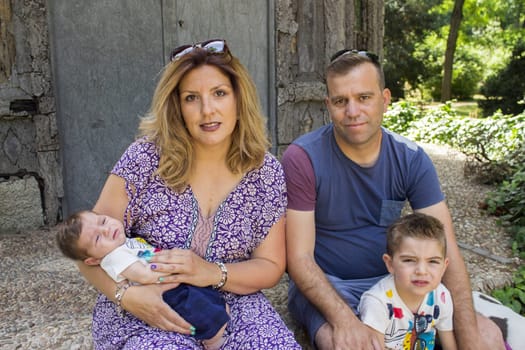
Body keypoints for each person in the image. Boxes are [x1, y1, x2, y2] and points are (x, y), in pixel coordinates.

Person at [75, 38, 301, 349]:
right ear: (177, 106)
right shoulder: (145, 158)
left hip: (233, 305)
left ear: (238, 98)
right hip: (151, 303)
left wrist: (210, 272)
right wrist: (126, 296)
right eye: (191, 98)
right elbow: (86, 251)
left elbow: (270, 266)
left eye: (219, 93)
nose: (207, 111)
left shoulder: (265, 172)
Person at [281, 49, 506, 350]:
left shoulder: (410, 159)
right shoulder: (303, 158)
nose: (352, 111)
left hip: (399, 280)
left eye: (364, 98)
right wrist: (346, 321)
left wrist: (469, 336)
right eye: (340, 101)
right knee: (349, 344)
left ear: (385, 99)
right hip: (332, 286)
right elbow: (299, 258)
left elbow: (446, 245)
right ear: (328, 105)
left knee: (486, 337)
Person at [56, 210, 230, 350]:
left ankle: (218, 321)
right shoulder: (114, 257)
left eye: (102, 221)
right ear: (92, 260)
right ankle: (212, 341)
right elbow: (142, 275)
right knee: (200, 312)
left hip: (174, 283)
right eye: (97, 238)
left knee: (209, 301)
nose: (106, 229)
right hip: (164, 292)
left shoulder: (124, 243)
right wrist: (171, 270)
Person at [358, 213, 456, 350]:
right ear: (390, 264)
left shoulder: (441, 296)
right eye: (409, 260)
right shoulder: (377, 303)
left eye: (433, 261)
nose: (422, 271)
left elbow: (449, 344)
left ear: (444, 266)